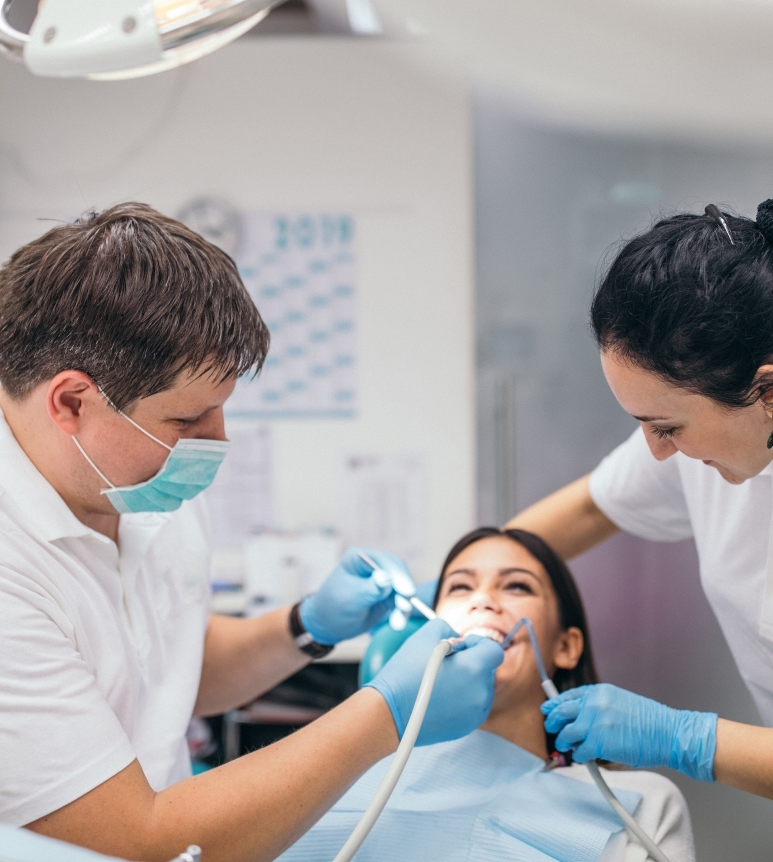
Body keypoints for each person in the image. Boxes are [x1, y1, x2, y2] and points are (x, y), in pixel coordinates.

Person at [0, 204, 504, 862]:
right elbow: (136, 840)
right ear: (70, 402)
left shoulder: (144, 481)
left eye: (223, 407)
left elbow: (171, 663)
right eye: (188, 417)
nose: (218, 440)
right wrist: (385, 716)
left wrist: (306, 625)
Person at [506, 163, 773, 862]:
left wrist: (688, 739)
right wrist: (471, 589)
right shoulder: (716, 444)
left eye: (665, 425)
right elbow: (583, 509)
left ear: (770, 389)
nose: (655, 450)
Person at [280, 527, 694, 862]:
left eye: (516, 586)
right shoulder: (332, 776)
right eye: (460, 588)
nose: (482, 600)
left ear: (566, 646)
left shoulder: (641, 804)